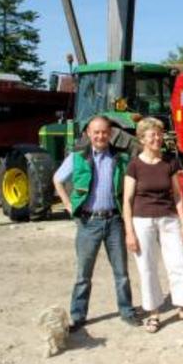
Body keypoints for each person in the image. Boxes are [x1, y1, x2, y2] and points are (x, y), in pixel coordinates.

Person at [122, 117, 183, 333]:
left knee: (180, 262)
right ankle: (153, 313)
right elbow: (127, 200)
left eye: (159, 134)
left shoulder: (170, 162)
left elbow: (178, 195)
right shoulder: (134, 165)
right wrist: (129, 233)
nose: (158, 138)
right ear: (142, 139)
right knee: (147, 267)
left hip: (169, 218)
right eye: (153, 135)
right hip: (142, 220)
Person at [53, 115, 139, 331]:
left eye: (104, 132)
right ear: (88, 134)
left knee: (121, 273)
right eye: (96, 132)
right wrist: (67, 204)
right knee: (83, 274)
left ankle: (127, 311)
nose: (100, 136)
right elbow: (57, 179)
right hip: (88, 223)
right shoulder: (77, 157)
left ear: (110, 134)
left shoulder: (121, 158)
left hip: (114, 222)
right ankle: (78, 316)